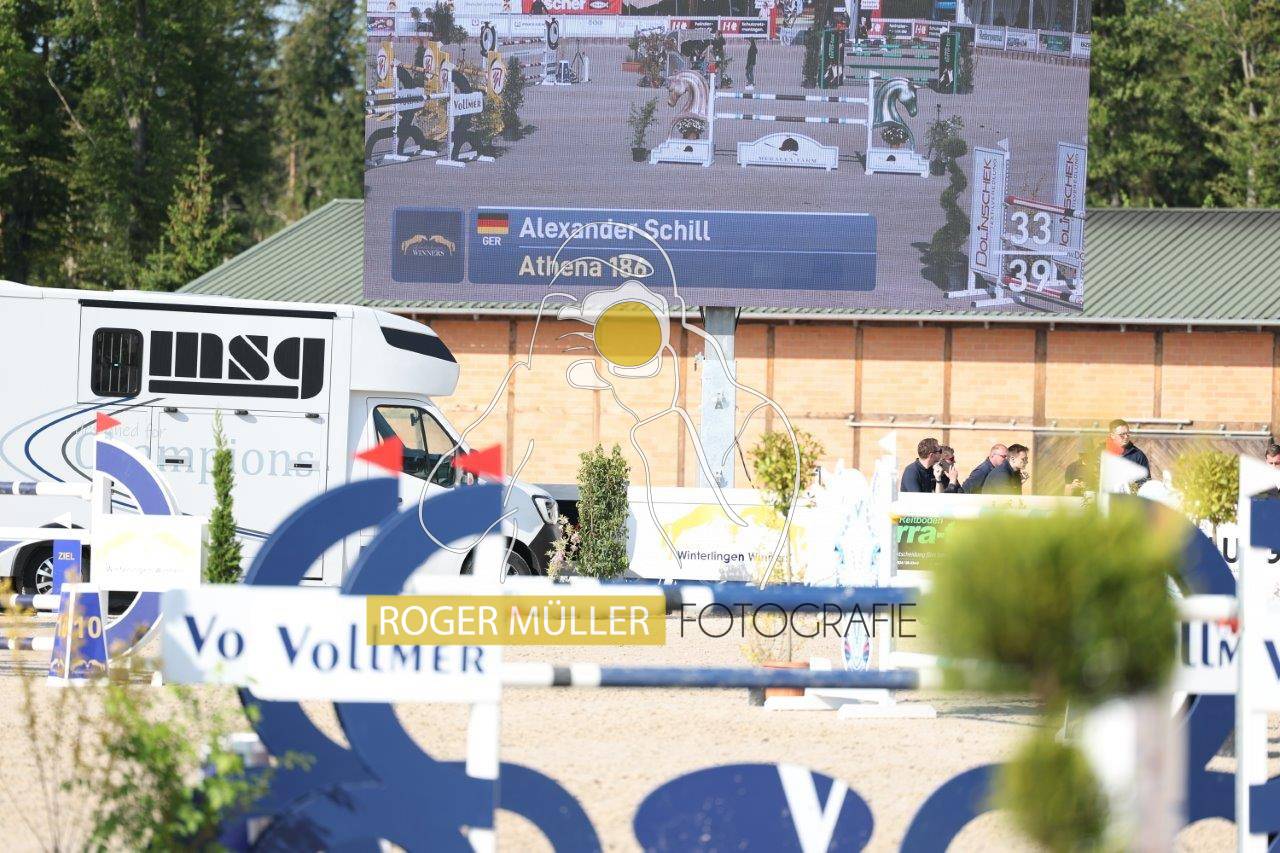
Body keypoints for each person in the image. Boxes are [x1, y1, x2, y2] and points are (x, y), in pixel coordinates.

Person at [1109, 419, 1150, 484]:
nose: (1126, 437)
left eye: (1127, 434)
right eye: (1122, 434)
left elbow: (1145, 483)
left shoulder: (1138, 455)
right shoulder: (1101, 453)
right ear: (1112, 435)